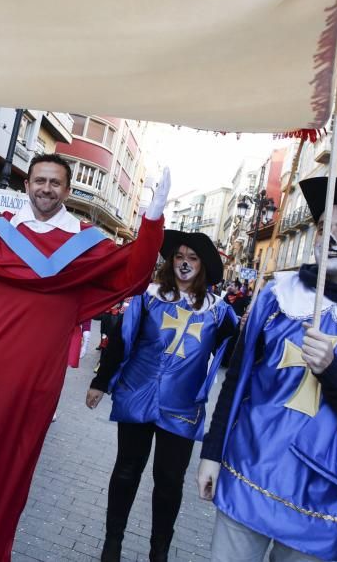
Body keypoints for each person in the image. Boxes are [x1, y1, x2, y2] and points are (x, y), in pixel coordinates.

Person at [0, 124, 168, 561]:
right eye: (39, 180)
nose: (46, 188)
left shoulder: (86, 244)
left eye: (55, 182)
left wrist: (152, 220)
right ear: (27, 185)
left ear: (67, 189)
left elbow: (134, 273)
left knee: (10, 475)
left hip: (34, 384)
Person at [197, 176, 337, 562]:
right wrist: (212, 453)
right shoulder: (277, 297)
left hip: (324, 503)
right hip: (248, 473)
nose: (328, 238)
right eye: (324, 229)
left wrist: (335, 373)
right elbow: (237, 381)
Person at [87, 231, 237, 562]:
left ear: (203, 267)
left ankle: (160, 552)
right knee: (126, 470)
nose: (184, 263)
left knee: (169, 482)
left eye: (192, 258)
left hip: (182, 408)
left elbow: (237, 356)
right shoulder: (149, 297)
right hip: (137, 395)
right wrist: (100, 381)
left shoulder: (219, 313)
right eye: (179, 256)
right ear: (171, 261)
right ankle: (112, 544)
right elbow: (122, 340)